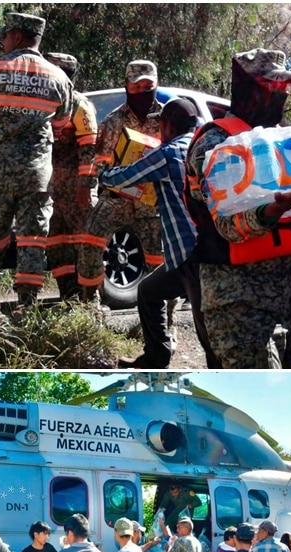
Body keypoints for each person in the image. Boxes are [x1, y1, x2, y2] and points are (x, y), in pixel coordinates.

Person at [183, 48, 291, 368]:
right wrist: (272, 211)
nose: (282, 94)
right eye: (273, 85)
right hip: (240, 306)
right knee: (260, 390)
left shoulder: (284, 142)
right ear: (246, 88)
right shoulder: (216, 145)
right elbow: (228, 226)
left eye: (286, 86)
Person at [0, 12, 72, 302]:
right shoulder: (58, 76)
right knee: (33, 240)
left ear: (18, 36)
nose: (3, 41)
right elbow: (62, 122)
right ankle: (27, 306)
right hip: (36, 175)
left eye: (5, 36)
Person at [99, 97, 218, 369]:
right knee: (149, 291)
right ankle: (155, 357)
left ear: (168, 126)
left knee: (207, 327)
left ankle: (219, 373)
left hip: (192, 256)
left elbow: (127, 176)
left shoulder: (169, 153)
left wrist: (103, 175)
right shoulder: (204, 147)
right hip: (197, 252)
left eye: (161, 125)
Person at [83, 60, 166, 304]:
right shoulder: (113, 121)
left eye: (147, 87)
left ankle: (164, 316)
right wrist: (109, 180)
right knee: (91, 242)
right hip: (117, 198)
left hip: (153, 202)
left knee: (160, 259)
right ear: (127, 86)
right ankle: (90, 304)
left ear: (156, 85)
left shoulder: (167, 118)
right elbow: (99, 162)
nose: (142, 92)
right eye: (136, 87)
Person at [42, 52, 99, 301]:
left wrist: (85, 185)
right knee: (56, 244)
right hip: (49, 189)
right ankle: (68, 296)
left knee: (85, 244)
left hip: (77, 190)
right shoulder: (42, 104)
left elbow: (89, 149)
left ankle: (90, 299)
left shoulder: (79, 105)